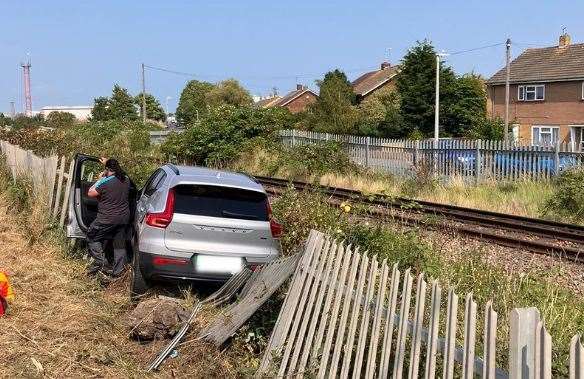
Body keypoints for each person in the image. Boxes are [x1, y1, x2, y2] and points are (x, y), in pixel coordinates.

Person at [86, 158, 130, 278]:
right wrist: (107, 164)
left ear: (107, 170)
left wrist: (100, 179)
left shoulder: (105, 182)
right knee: (119, 244)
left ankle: (102, 263)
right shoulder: (126, 179)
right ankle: (119, 273)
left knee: (92, 237)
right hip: (123, 219)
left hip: (106, 219)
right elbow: (122, 172)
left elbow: (90, 193)